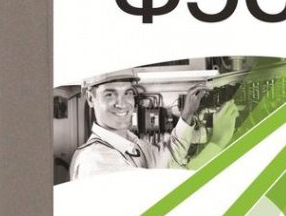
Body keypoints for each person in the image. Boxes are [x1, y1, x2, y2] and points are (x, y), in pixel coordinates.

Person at [70, 70, 238, 179]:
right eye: (109, 94)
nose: (122, 104)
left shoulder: (130, 143)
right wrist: (218, 141)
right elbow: (173, 193)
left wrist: (187, 115)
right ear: (90, 98)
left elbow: (168, 161)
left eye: (128, 93)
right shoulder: (96, 161)